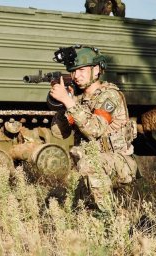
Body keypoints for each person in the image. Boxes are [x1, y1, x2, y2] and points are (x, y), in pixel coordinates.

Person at [50, 45, 137, 211]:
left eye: (82, 70)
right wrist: (62, 104)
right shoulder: (79, 99)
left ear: (96, 70)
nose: (76, 76)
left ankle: (107, 217)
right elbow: (59, 133)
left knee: (89, 165)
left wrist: (69, 103)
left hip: (118, 162)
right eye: (73, 71)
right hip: (91, 164)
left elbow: (95, 129)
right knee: (59, 199)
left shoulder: (109, 95)